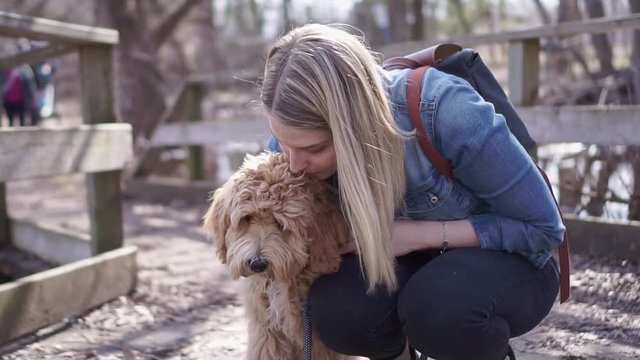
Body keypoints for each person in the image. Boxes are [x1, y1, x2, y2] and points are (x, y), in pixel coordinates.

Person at [262, 23, 563, 360]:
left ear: (355, 122)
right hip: (406, 257)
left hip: (511, 257)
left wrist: (415, 235)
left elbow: (544, 229)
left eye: (314, 149)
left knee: (440, 308)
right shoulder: (295, 142)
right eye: (283, 145)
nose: (294, 165)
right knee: (337, 308)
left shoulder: (447, 110)